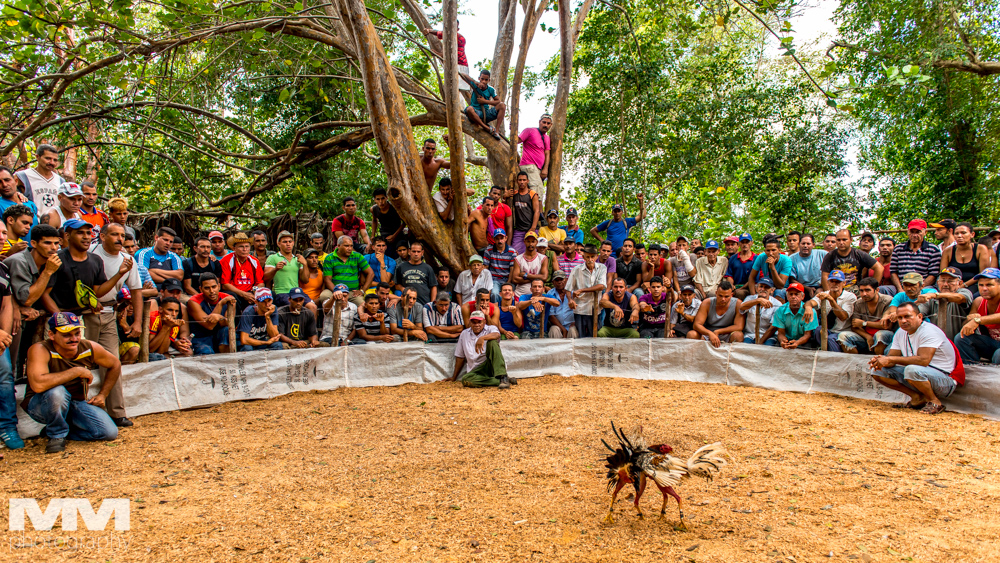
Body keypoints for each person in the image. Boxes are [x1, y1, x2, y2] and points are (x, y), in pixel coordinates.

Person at [24, 313, 121, 453]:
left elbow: (115, 364)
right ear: (51, 335)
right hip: (40, 405)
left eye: (77, 333)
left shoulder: (88, 347)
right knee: (58, 392)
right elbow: (38, 384)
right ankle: (56, 435)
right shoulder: (40, 349)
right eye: (67, 335)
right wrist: (75, 372)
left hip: (75, 402)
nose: (74, 339)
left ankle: (64, 430)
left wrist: (102, 395)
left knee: (109, 433)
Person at [870, 301, 961, 415]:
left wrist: (889, 359)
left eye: (907, 316)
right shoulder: (900, 332)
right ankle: (917, 397)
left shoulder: (929, 331)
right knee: (878, 370)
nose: (903, 321)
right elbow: (891, 359)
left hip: (945, 380)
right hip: (921, 374)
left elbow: (923, 360)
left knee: (912, 369)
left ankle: (934, 401)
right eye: (900, 317)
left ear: (919, 316)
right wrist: (880, 361)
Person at [449, 310, 514, 388]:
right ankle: (500, 381)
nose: (476, 325)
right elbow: (460, 357)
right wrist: (454, 377)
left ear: (484, 322)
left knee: (492, 342)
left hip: (490, 365)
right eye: (474, 322)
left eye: (479, 322)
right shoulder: (464, 333)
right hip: (476, 370)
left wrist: (482, 338)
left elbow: (497, 335)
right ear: (470, 323)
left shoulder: (491, 328)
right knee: (466, 380)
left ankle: (502, 376)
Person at [954, 268, 1000, 364]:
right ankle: (972, 372)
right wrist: (970, 319)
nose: (984, 288)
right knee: (961, 338)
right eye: (981, 285)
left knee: (998, 354)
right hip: (993, 344)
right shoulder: (978, 301)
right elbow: (966, 325)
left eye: (989, 285)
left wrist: (978, 320)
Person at [838, 277, 894, 355]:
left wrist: (864, 323)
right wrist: (868, 336)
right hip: (866, 336)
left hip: (886, 336)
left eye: (868, 290)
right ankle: (855, 364)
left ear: (877, 290)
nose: (864, 294)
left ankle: (878, 363)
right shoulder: (858, 303)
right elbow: (855, 326)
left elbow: (887, 326)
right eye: (861, 291)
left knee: (880, 335)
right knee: (842, 336)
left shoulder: (888, 301)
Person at [806, 270, 856, 352]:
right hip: (828, 330)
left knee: (830, 339)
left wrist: (831, 300)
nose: (834, 284)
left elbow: (843, 317)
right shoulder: (824, 294)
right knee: (818, 330)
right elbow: (811, 302)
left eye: (838, 282)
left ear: (844, 283)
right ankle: (825, 352)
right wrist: (808, 307)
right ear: (828, 282)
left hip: (842, 331)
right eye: (832, 281)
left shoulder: (850, 296)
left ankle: (833, 356)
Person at [187, 273, 236, 355]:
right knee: (207, 351)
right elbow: (209, 326)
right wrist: (220, 304)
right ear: (200, 289)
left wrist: (219, 317)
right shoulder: (194, 302)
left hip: (219, 336)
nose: (212, 291)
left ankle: (228, 361)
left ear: (219, 286)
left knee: (226, 330)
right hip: (201, 338)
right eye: (207, 288)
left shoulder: (228, 298)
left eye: (214, 287)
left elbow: (228, 323)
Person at [821, 228, 882, 293]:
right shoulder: (830, 256)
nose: (841, 242)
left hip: (855, 290)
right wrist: (829, 294)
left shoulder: (859, 254)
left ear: (851, 240)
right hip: (836, 289)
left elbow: (879, 268)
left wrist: (873, 289)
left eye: (844, 240)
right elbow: (824, 276)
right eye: (838, 240)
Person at [889, 219, 941, 294]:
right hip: (901, 286)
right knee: (883, 290)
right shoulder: (898, 249)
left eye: (918, 232)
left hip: (923, 287)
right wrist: (900, 288)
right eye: (912, 232)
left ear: (925, 232)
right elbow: (893, 272)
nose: (914, 235)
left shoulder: (933, 249)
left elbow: (933, 274)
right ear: (907, 232)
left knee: (931, 292)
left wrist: (918, 288)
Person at [265, 230, 313, 311]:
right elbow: (266, 278)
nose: (288, 244)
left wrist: (305, 264)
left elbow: (305, 280)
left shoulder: (297, 259)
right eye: (285, 242)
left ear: (293, 243)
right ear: (278, 244)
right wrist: (276, 269)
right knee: (293, 307)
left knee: (312, 307)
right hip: (281, 293)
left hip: (297, 292)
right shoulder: (273, 257)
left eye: (290, 241)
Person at [219, 231, 265, 313]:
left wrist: (255, 293)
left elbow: (260, 282)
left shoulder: (254, 261)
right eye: (241, 247)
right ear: (234, 248)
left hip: (251, 292)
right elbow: (225, 284)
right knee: (232, 297)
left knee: (268, 294)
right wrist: (244, 294)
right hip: (235, 292)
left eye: (247, 246)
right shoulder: (226, 260)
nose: (245, 249)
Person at [689, 279, 744, 347]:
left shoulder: (738, 303)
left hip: (727, 333)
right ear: (716, 293)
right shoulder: (707, 303)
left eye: (726, 296)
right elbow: (697, 325)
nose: (723, 299)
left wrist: (718, 331)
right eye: (720, 296)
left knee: (738, 335)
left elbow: (739, 326)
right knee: (691, 334)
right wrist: (710, 333)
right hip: (708, 333)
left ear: (731, 295)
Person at [568, 245, 607, 338]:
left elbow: (601, 286)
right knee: (581, 336)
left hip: (595, 308)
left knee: (594, 336)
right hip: (580, 308)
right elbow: (568, 288)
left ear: (596, 256)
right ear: (583, 257)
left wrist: (581, 290)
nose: (590, 259)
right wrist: (570, 299)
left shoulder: (602, 268)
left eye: (592, 256)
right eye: (588, 257)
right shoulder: (576, 269)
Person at [323, 235, 374, 307]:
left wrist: (362, 290)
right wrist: (336, 291)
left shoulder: (357, 256)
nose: (350, 249)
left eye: (351, 246)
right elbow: (327, 279)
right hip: (334, 290)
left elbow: (371, 273)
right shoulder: (329, 258)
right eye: (346, 246)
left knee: (362, 304)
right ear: (338, 246)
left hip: (352, 292)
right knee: (324, 297)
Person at [940, 222, 990, 294]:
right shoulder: (948, 251)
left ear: (972, 234)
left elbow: (982, 273)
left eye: (963, 233)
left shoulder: (980, 249)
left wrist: (964, 285)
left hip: (974, 284)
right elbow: (943, 273)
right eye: (956, 233)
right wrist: (952, 285)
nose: (959, 236)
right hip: (952, 284)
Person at [926, 267, 974, 340]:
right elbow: (919, 312)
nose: (945, 284)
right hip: (937, 343)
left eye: (950, 281)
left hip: (960, 343)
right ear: (938, 282)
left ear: (960, 283)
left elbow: (960, 298)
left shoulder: (964, 292)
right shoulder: (931, 297)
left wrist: (936, 295)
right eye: (942, 280)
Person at [14, 144, 63, 215]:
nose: (52, 162)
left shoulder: (60, 181)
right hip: (32, 222)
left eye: (55, 160)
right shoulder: (22, 176)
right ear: (37, 157)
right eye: (48, 158)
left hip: (55, 223)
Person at [770, 283, 820, 350]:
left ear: (803, 297)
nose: (793, 297)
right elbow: (781, 333)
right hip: (788, 340)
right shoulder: (780, 310)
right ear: (787, 297)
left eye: (796, 294)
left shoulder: (810, 311)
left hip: (805, 342)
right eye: (791, 294)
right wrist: (783, 340)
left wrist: (797, 342)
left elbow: (808, 335)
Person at [460, 69, 506, 140]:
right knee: (469, 109)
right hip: (475, 113)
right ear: (479, 78)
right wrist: (475, 82)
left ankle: (496, 131)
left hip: (486, 114)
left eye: (486, 80)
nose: (484, 81)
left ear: (489, 80)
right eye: (482, 79)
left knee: (502, 105)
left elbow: (498, 101)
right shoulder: (475, 85)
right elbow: (463, 74)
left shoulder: (491, 90)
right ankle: (486, 128)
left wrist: (485, 101)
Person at [422, 22, 470, 90]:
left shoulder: (460, 38)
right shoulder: (447, 35)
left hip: (460, 66)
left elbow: (453, 55)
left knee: (458, 90)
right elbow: (439, 33)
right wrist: (429, 31)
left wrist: (437, 54)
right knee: (450, 88)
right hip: (451, 65)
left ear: (457, 29)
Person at [237, 287, 282, 352]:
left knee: (278, 345)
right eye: (263, 301)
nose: (267, 305)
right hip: (249, 342)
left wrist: (267, 317)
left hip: (261, 340)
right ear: (256, 302)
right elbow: (244, 340)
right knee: (247, 348)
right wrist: (266, 343)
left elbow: (275, 336)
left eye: (269, 301)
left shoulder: (273, 309)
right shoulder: (248, 312)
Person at [739, 277, 781, 345]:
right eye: (761, 286)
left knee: (767, 348)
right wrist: (757, 300)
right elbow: (741, 307)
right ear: (756, 288)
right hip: (750, 335)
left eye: (766, 287)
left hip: (768, 337)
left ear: (772, 290)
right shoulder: (750, 298)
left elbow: (772, 328)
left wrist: (760, 342)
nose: (763, 289)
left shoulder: (777, 304)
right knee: (745, 349)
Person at [394, 240, 437, 305]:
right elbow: (397, 285)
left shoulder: (428, 268)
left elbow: (433, 287)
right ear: (409, 251)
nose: (416, 254)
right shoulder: (401, 267)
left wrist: (432, 304)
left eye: (418, 251)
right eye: (414, 251)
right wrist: (403, 289)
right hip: (407, 303)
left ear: (422, 252)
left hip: (424, 303)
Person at [518, 114, 552, 191]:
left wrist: (545, 169)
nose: (545, 125)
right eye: (544, 122)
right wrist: (513, 130)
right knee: (537, 192)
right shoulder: (530, 131)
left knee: (535, 191)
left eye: (548, 123)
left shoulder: (546, 138)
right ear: (539, 122)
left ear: (551, 125)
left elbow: (547, 153)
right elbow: (516, 141)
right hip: (529, 165)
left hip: (538, 168)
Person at [508, 172, 540, 253]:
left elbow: (537, 211)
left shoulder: (532, 194)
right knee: (515, 252)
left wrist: (533, 228)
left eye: (524, 180)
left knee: (533, 252)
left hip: (531, 228)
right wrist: (505, 197)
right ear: (516, 181)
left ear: (527, 181)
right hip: (519, 230)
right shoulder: (514, 194)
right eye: (520, 180)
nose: (522, 182)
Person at [370, 188, 405, 258]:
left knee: (400, 254)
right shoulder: (374, 209)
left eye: (382, 198)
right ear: (374, 200)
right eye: (378, 199)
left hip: (397, 234)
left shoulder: (395, 208)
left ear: (387, 198)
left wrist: (394, 236)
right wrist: (373, 234)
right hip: (384, 235)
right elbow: (374, 220)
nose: (381, 202)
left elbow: (404, 222)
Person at [510, 231, 547, 297]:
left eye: (533, 241)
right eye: (528, 241)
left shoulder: (543, 258)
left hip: (537, 295)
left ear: (536, 242)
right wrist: (536, 278)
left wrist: (526, 275)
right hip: (520, 294)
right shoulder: (518, 259)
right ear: (524, 242)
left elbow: (544, 277)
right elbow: (515, 279)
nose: (530, 244)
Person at [789, 233, 827, 297]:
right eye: (803, 243)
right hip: (800, 287)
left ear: (813, 245)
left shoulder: (822, 254)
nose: (805, 246)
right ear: (799, 244)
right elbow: (792, 280)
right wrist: (808, 289)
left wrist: (822, 287)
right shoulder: (791, 258)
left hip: (820, 286)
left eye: (808, 244)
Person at [483, 229, 517, 298]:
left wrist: (508, 283)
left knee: (511, 296)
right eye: (497, 239)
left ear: (506, 238)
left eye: (501, 238)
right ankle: (497, 308)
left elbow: (512, 269)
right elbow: (485, 267)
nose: (500, 241)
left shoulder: (512, 252)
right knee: (494, 294)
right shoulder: (489, 250)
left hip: (507, 279)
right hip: (494, 279)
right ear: (493, 239)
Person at [545, 270, 577, 338]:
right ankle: (554, 349)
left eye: (561, 279)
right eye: (556, 280)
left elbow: (579, 311)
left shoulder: (573, 293)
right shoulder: (550, 294)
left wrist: (575, 323)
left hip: (572, 324)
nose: (559, 282)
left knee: (573, 331)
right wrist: (563, 329)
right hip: (557, 325)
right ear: (553, 282)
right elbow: (551, 316)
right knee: (553, 330)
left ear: (566, 280)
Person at [724, 233, 756, 299]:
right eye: (742, 242)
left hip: (750, 287)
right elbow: (729, 275)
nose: (745, 245)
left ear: (751, 243)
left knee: (740, 293)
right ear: (739, 244)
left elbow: (754, 278)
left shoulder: (756, 258)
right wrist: (731, 286)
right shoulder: (733, 258)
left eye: (747, 242)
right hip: (735, 286)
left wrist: (741, 288)